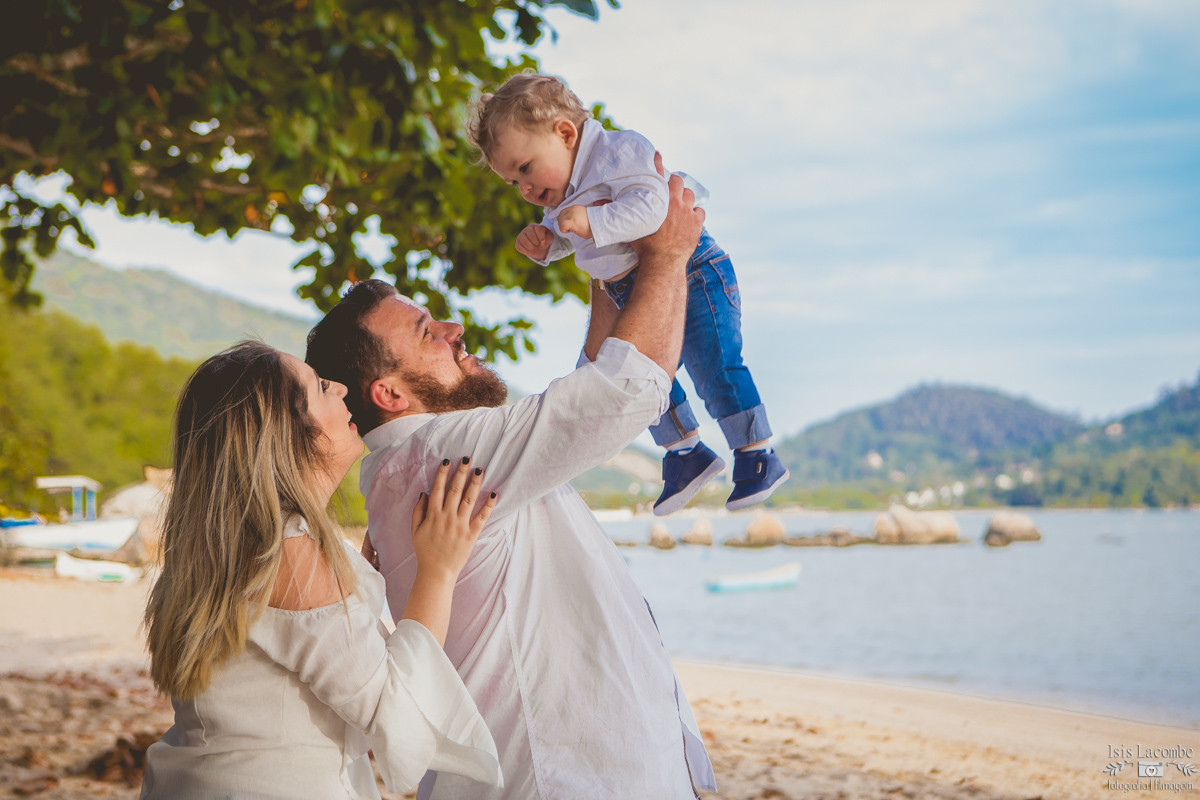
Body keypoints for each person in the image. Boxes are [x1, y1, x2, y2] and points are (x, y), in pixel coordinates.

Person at [305, 170, 716, 799]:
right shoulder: (440, 456)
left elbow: (583, 394)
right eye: (427, 334)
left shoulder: (413, 462)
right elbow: (621, 392)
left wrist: (605, 267)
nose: (453, 331)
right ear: (389, 394)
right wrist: (667, 254)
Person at [140, 341, 503, 799]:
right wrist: (439, 569)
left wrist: (353, 586)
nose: (342, 389)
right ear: (289, 433)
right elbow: (394, 713)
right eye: (321, 388)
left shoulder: (229, 545)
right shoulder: (288, 552)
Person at [466, 71, 789, 515]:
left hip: (694, 271)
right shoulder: (563, 193)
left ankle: (756, 454)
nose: (525, 189)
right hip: (629, 287)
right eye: (513, 182)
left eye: (525, 168)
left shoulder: (617, 152)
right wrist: (548, 243)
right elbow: (570, 233)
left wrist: (590, 222)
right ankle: (685, 452)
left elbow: (654, 206)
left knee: (713, 364)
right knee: (638, 375)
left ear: (565, 134)